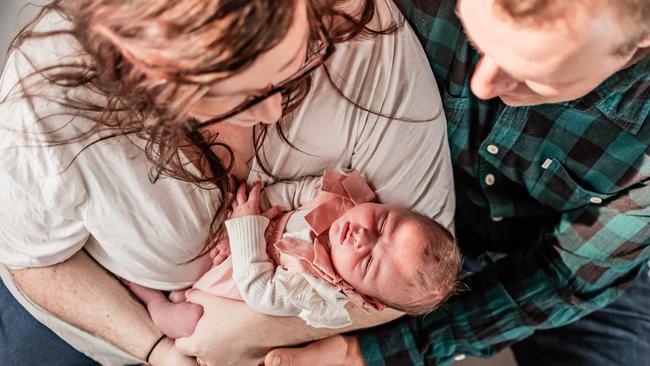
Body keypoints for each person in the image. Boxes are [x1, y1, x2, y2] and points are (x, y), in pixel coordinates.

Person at [0, 0, 454, 365]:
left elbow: (409, 285)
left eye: (291, 65)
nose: (273, 111)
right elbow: (34, 261)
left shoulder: (359, 34)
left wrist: (251, 331)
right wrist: (157, 351)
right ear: (157, 82)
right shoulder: (44, 116)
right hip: (111, 307)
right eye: (246, 95)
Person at [265, 0, 650, 365]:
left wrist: (370, 353)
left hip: (557, 261)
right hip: (392, 229)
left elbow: (561, 277)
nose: (483, 86)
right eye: (474, 36)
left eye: (533, 72)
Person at [127, 171, 460, 338]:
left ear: (365, 299)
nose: (361, 237)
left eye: (369, 261)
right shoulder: (342, 200)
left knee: (185, 313)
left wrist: (246, 232)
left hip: (229, 278)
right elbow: (298, 191)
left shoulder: (316, 290)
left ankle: (154, 301)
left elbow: (259, 291)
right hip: (239, 233)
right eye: (383, 224)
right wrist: (254, 210)